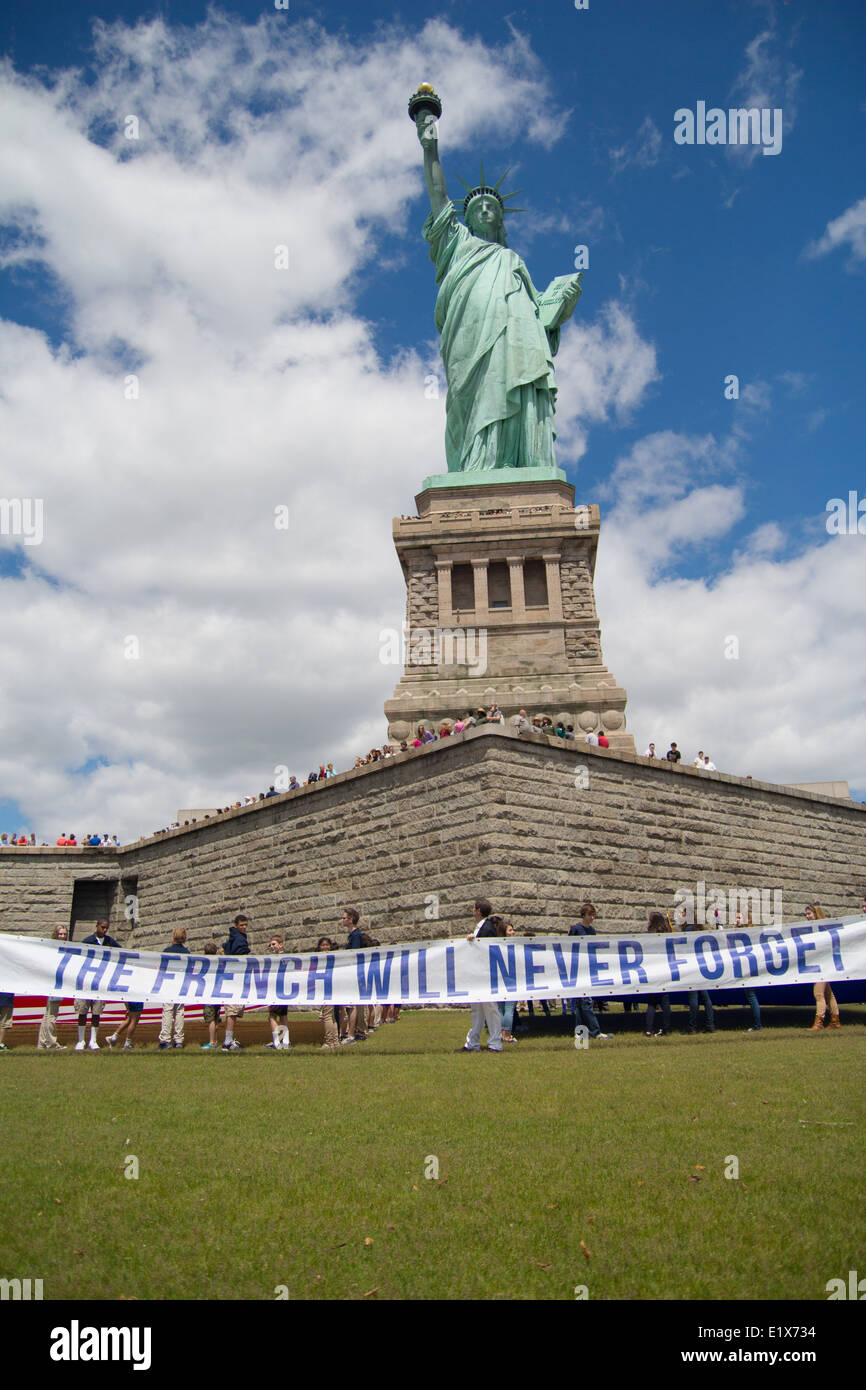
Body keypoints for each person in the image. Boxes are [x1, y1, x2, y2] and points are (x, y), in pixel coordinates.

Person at [414, 101, 582, 474]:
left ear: (502, 219)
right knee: (473, 396)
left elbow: (540, 318)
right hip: (470, 338)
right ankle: (477, 467)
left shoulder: (513, 262)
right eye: (479, 207)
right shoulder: (456, 246)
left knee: (514, 380)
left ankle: (516, 460)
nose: (487, 210)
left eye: (493, 207)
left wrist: (557, 311)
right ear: (468, 217)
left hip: (515, 340)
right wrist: (430, 148)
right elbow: (438, 197)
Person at [459, 898, 503, 1052]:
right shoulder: (481, 927)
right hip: (477, 975)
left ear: (478, 911)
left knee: (490, 1007)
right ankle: (472, 1042)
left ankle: (495, 1042)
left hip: (486, 975)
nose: (472, 910)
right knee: (477, 1008)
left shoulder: (487, 927)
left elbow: (488, 950)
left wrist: (475, 941)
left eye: (473, 908)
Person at [74, 918, 122, 1050]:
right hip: (86, 981)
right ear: (97, 926)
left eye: (106, 928)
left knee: (96, 1012)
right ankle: (81, 1040)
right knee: (82, 1011)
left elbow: (121, 951)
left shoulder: (109, 942)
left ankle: (93, 1040)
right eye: (102, 927)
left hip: (100, 982)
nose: (104, 930)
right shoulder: (88, 941)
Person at [567, 903, 613, 1040]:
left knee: (583, 1003)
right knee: (585, 1001)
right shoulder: (576, 929)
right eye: (590, 915)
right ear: (584, 915)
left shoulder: (592, 931)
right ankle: (595, 1031)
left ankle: (579, 1032)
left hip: (589, 969)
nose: (592, 918)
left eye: (593, 915)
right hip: (578, 968)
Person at [804, 903, 841, 1030]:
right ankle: (835, 1020)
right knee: (828, 993)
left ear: (816, 914)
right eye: (806, 914)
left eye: (809, 914)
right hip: (820, 963)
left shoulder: (824, 928)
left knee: (818, 993)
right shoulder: (811, 928)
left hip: (823, 964)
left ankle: (819, 1021)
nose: (807, 916)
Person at [38, 925, 70, 1050]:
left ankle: (41, 1043)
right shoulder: (53, 948)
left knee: (47, 1015)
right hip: (54, 985)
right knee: (51, 1016)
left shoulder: (66, 948)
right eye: (60, 934)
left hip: (57, 984)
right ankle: (51, 1043)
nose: (62, 936)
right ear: (55, 934)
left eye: (64, 934)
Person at [221, 914, 250, 1051]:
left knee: (232, 1011)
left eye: (245, 925)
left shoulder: (233, 937)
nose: (244, 928)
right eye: (241, 925)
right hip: (235, 978)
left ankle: (229, 1038)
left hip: (231, 977)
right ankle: (227, 1041)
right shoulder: (239, 939)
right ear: (236, 925)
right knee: (232, 1011)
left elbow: (223, 950)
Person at [158, 927, 190, 1049]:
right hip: (181, 984)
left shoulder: (167, 951)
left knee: (168, 1010)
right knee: (179, 1011)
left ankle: (165, 1039)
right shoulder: (186, 953)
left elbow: (162, 967)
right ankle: (179, 1040)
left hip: (169, 984)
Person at [341, 909, 368, 1043]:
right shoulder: (353, 935)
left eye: (344, 918)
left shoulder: (356, 935)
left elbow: (355, 955)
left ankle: (353, 1033)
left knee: (354, 1005)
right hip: (354, 973)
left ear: (351, 920)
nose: (342, 920)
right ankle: (359, 1031)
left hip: (355, 974)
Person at [643, 913, 672, 1036]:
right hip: (664, 969)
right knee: (665, 1001)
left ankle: (649, 1029)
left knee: (652, 1002)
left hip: (652, 970)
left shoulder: (649, 934)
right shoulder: (666, 933)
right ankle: (666, 1028)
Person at [265, 933, 291, 1050]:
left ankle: (277, 1042)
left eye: (274, 944)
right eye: (270, 945)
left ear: (281, 945)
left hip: (278, 990)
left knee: (272, 1016)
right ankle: (286, 1041)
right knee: (283, 1016)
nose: (272, 947)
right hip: (283, 990)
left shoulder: (281, 958)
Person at [316, 937, 341, 1051]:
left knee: (327, 1016)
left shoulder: (329, 959)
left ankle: (329, 1041)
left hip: (328, 989)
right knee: (332, 1016)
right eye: (323, 945)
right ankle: (335, 1041)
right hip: (328, 988)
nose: (325, 947)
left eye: (327, 945)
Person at [200, 941, 222, 1049]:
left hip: (209, 995)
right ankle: (215, 1040)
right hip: (218, 994)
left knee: (211, 1020)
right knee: (216, 1018)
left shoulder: (205, 965)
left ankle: (212, 1042)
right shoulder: (219, 963)